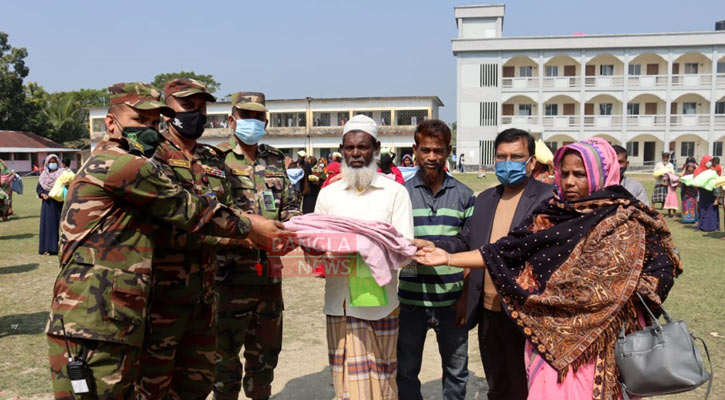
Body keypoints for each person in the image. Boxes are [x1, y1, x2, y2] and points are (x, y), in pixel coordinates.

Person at [45, 82, 286, 399]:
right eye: (140, 120)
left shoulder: (191, 159)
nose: (149, 129)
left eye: (154, 122)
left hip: (155, 302)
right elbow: (189, 210)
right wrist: (252, 229)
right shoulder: (128, 163)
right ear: (111, 122)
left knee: (189, 386)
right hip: (108, 309)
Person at [415, 136, 682, 400]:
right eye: (564, 173)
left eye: (580, 173)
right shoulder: (552, 213)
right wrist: (447, 258)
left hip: (601, 349)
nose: (569, 181)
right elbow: (510, 249)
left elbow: (657, 272)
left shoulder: (625, 219)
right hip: (547, 338)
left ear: (602, 174)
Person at [432, 128, 553, 400]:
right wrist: (435, 246)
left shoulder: (549, 198)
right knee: (497, 384)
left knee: (527, 385)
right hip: (488, 310)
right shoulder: (486, 199)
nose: (508, 162)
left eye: (516, 156)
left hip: (526, 311)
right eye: (502, 156)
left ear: (531, 162)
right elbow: (466, 240)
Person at [135, 78, 233, 398]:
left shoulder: (214, 158)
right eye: (189, 107)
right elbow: (161, 224)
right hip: (160, 298)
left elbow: (226, 213)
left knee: (198, 382)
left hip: (205, 296)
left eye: (202, 108)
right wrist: (240, 237)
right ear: (167, 111)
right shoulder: (150, 155)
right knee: (153, 384)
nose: (198, 114)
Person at [315, 114, 414, 400]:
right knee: (344, 387)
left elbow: (405, 251)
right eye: (349, 147)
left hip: (380, 305)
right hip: (338, 304)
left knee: (383, 385)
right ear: (341, 149)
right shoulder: (329, 195)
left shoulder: (395, 193)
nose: (356, 153)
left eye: (363, 147)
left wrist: (363, 248)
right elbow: (317, 246)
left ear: (377, 148)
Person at [213, 91, 302, 400]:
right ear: (231, 120)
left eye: (257, 117)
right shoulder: (215, 158)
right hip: (227, 278)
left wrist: (291, 227)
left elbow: (291, 205)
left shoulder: (275, 158)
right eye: (245, 116)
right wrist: (250, 232)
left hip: (269, 278)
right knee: (223, 360)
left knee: (265, 357)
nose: (252, 122)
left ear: (266, 121)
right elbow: (210, 214)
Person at [396, 120, 474, 400]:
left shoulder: (465, 195)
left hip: (451, 301)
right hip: (410, 301)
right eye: (425, 150)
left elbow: (470, 247)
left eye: (438, 151)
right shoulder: (400, 194)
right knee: (405, 370)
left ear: (448, 151)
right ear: (415, 150)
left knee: (456, 372)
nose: (431, 157)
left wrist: (464, 298)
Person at [36, 154, 64, 255]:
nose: (53, 164)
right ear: (47, 164)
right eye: (51, 162)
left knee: (57, 225)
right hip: (47, 204)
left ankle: (58, 248)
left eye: (54, 162)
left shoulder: (62, 174)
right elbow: (39, 188)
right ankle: (47, 248)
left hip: (58, 203)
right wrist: (42, 194)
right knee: (47, 226)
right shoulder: (44, 175)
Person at [694, 155, 720, 232]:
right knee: (706, 209)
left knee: (707, 209)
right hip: (706, 194)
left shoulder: (709, 172)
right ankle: (707, 226)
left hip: (708, 193)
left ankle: (707, 226)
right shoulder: (702, 171)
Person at [680, 157, 699, 224]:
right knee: (686, 205)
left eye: (692, 167)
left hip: (693, 192)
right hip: (686, 192)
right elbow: (680, 177)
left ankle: (694, 220)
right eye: (689, 167)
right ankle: (686, 219)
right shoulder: (685, 174)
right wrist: (684, 169)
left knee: (693, 206)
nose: (690, 168)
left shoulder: (696, 175)